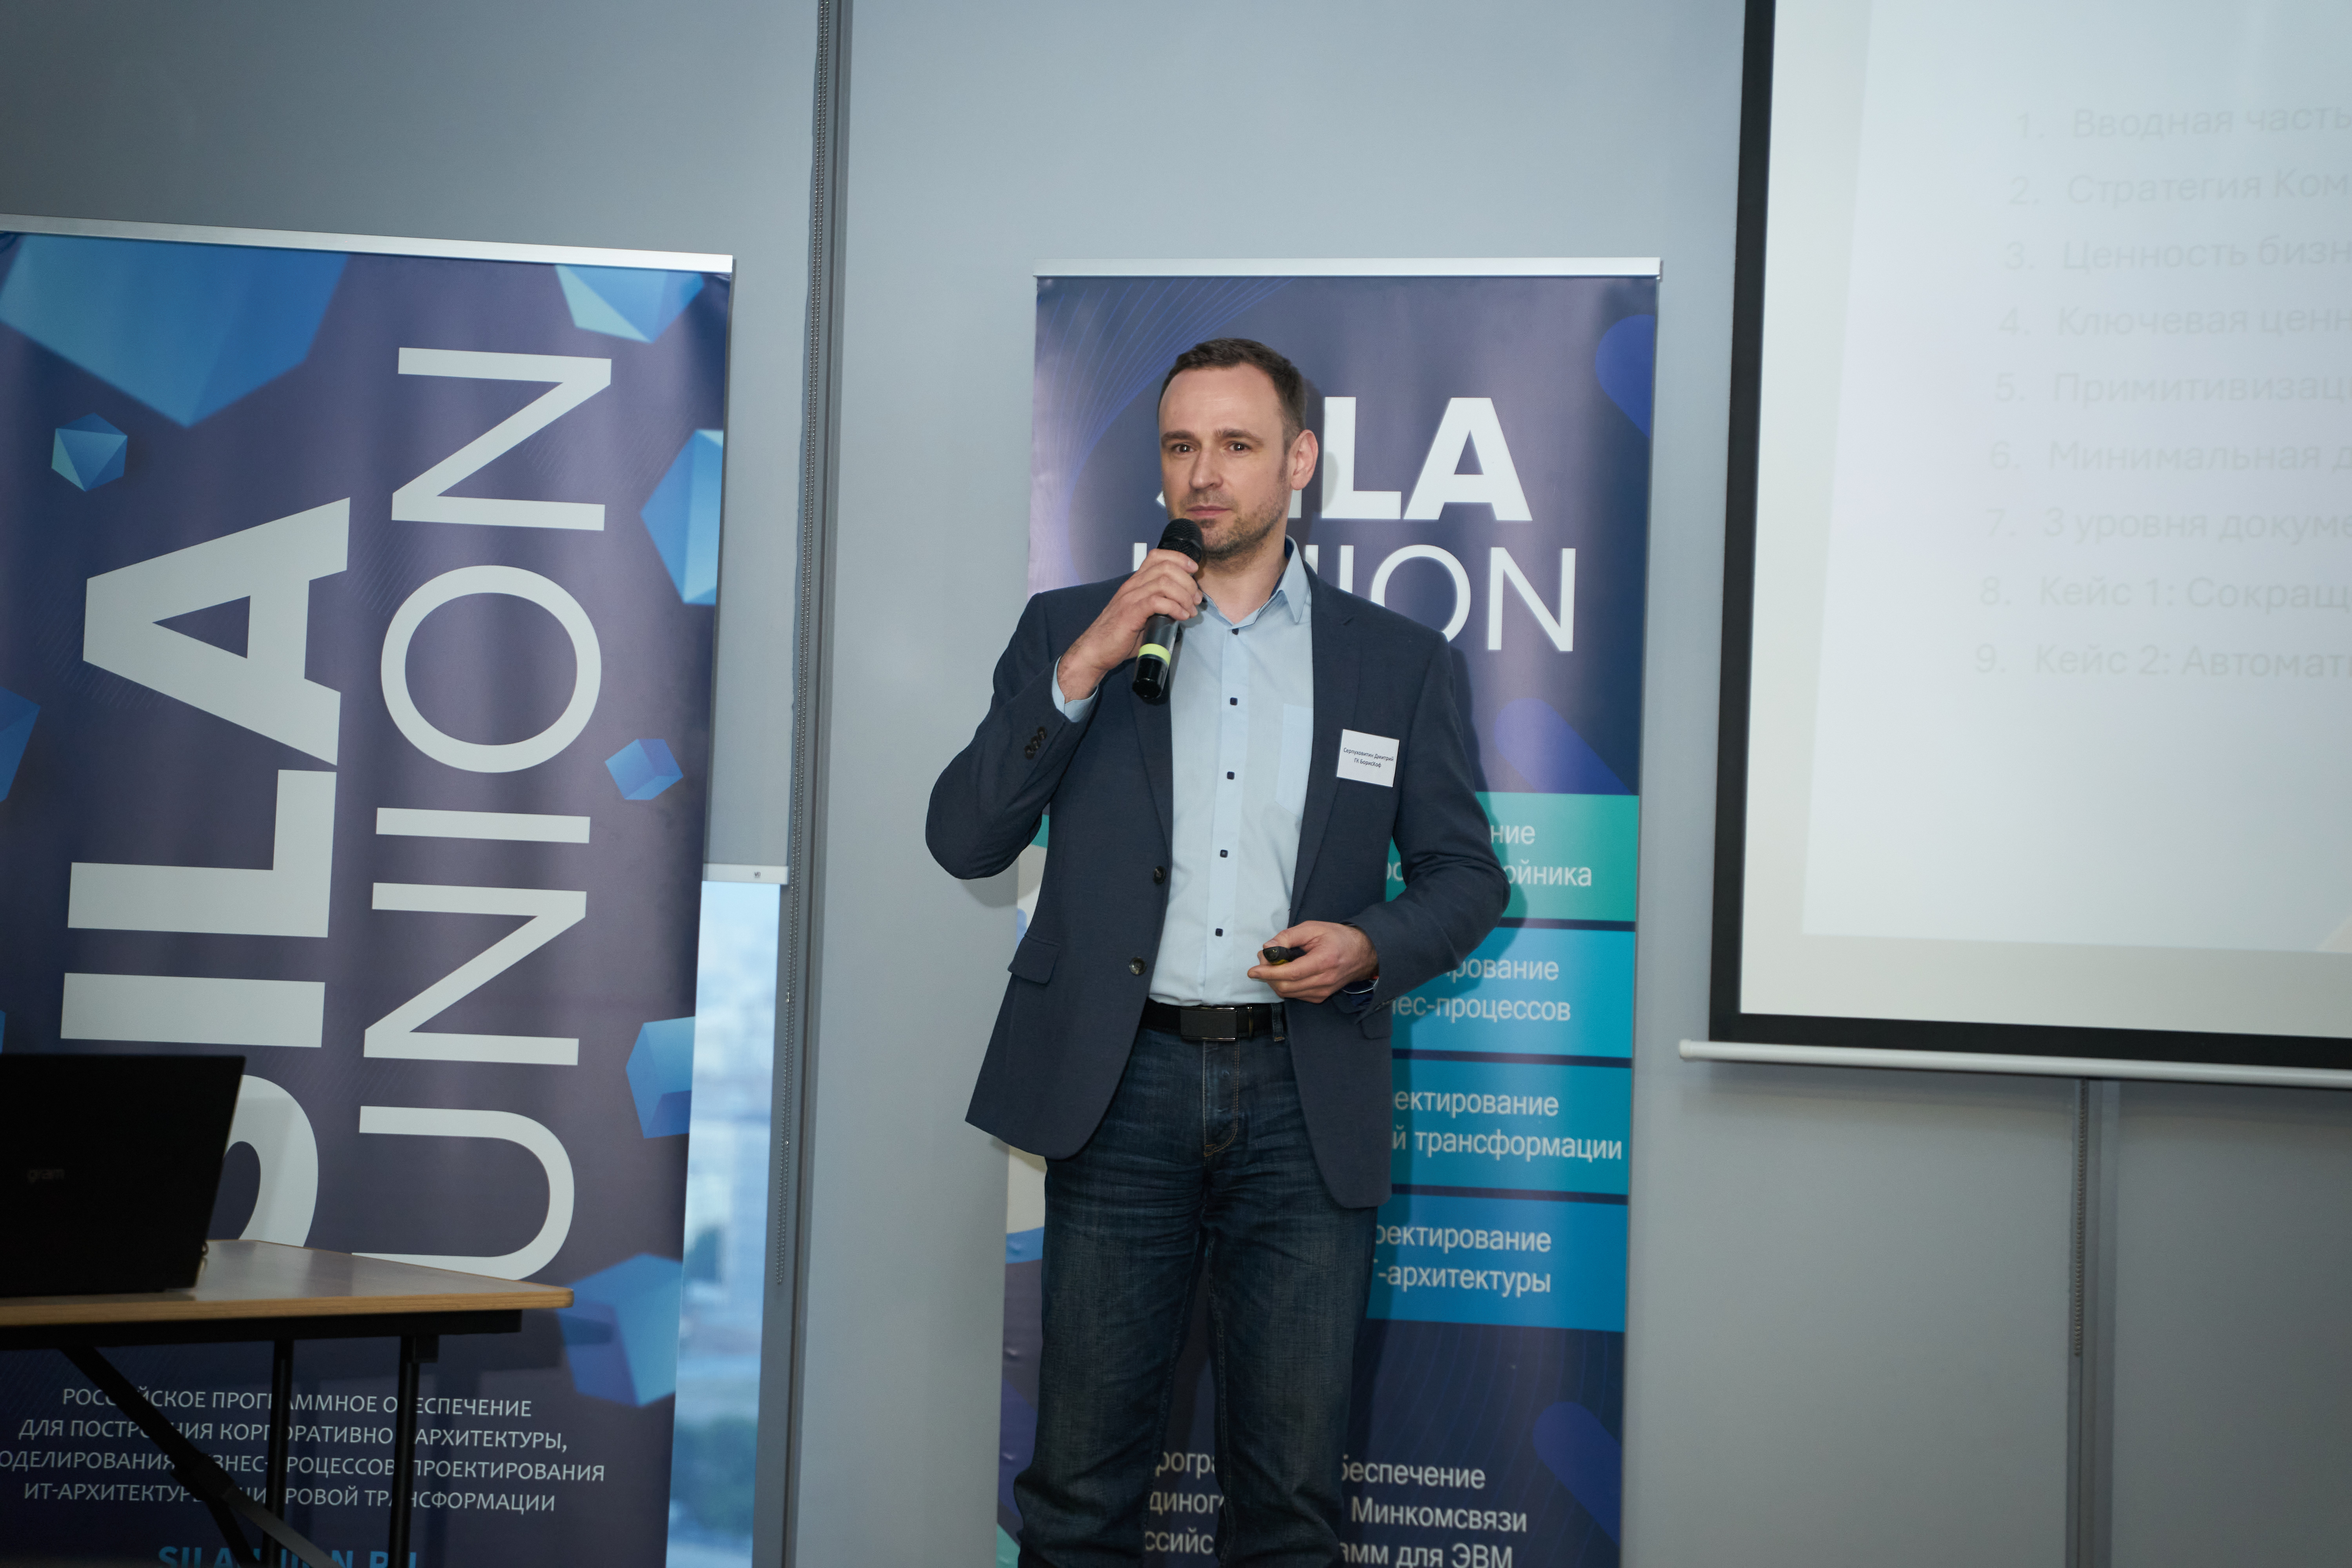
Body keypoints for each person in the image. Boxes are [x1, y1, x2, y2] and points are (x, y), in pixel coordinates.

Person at [928, 338, 1507, 1566]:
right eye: (1182, 446)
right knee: (1078, 1495)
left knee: (1289, 1506)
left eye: (1238, 445)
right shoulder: (1072, 629)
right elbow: (965, 839)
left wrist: (1370, 945)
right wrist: (1085, 664)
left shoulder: (1397, 661)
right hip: (1120, 1088)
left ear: (1299, 462)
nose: (1205, 474)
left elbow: (1467, 876)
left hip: (1305, 1092)